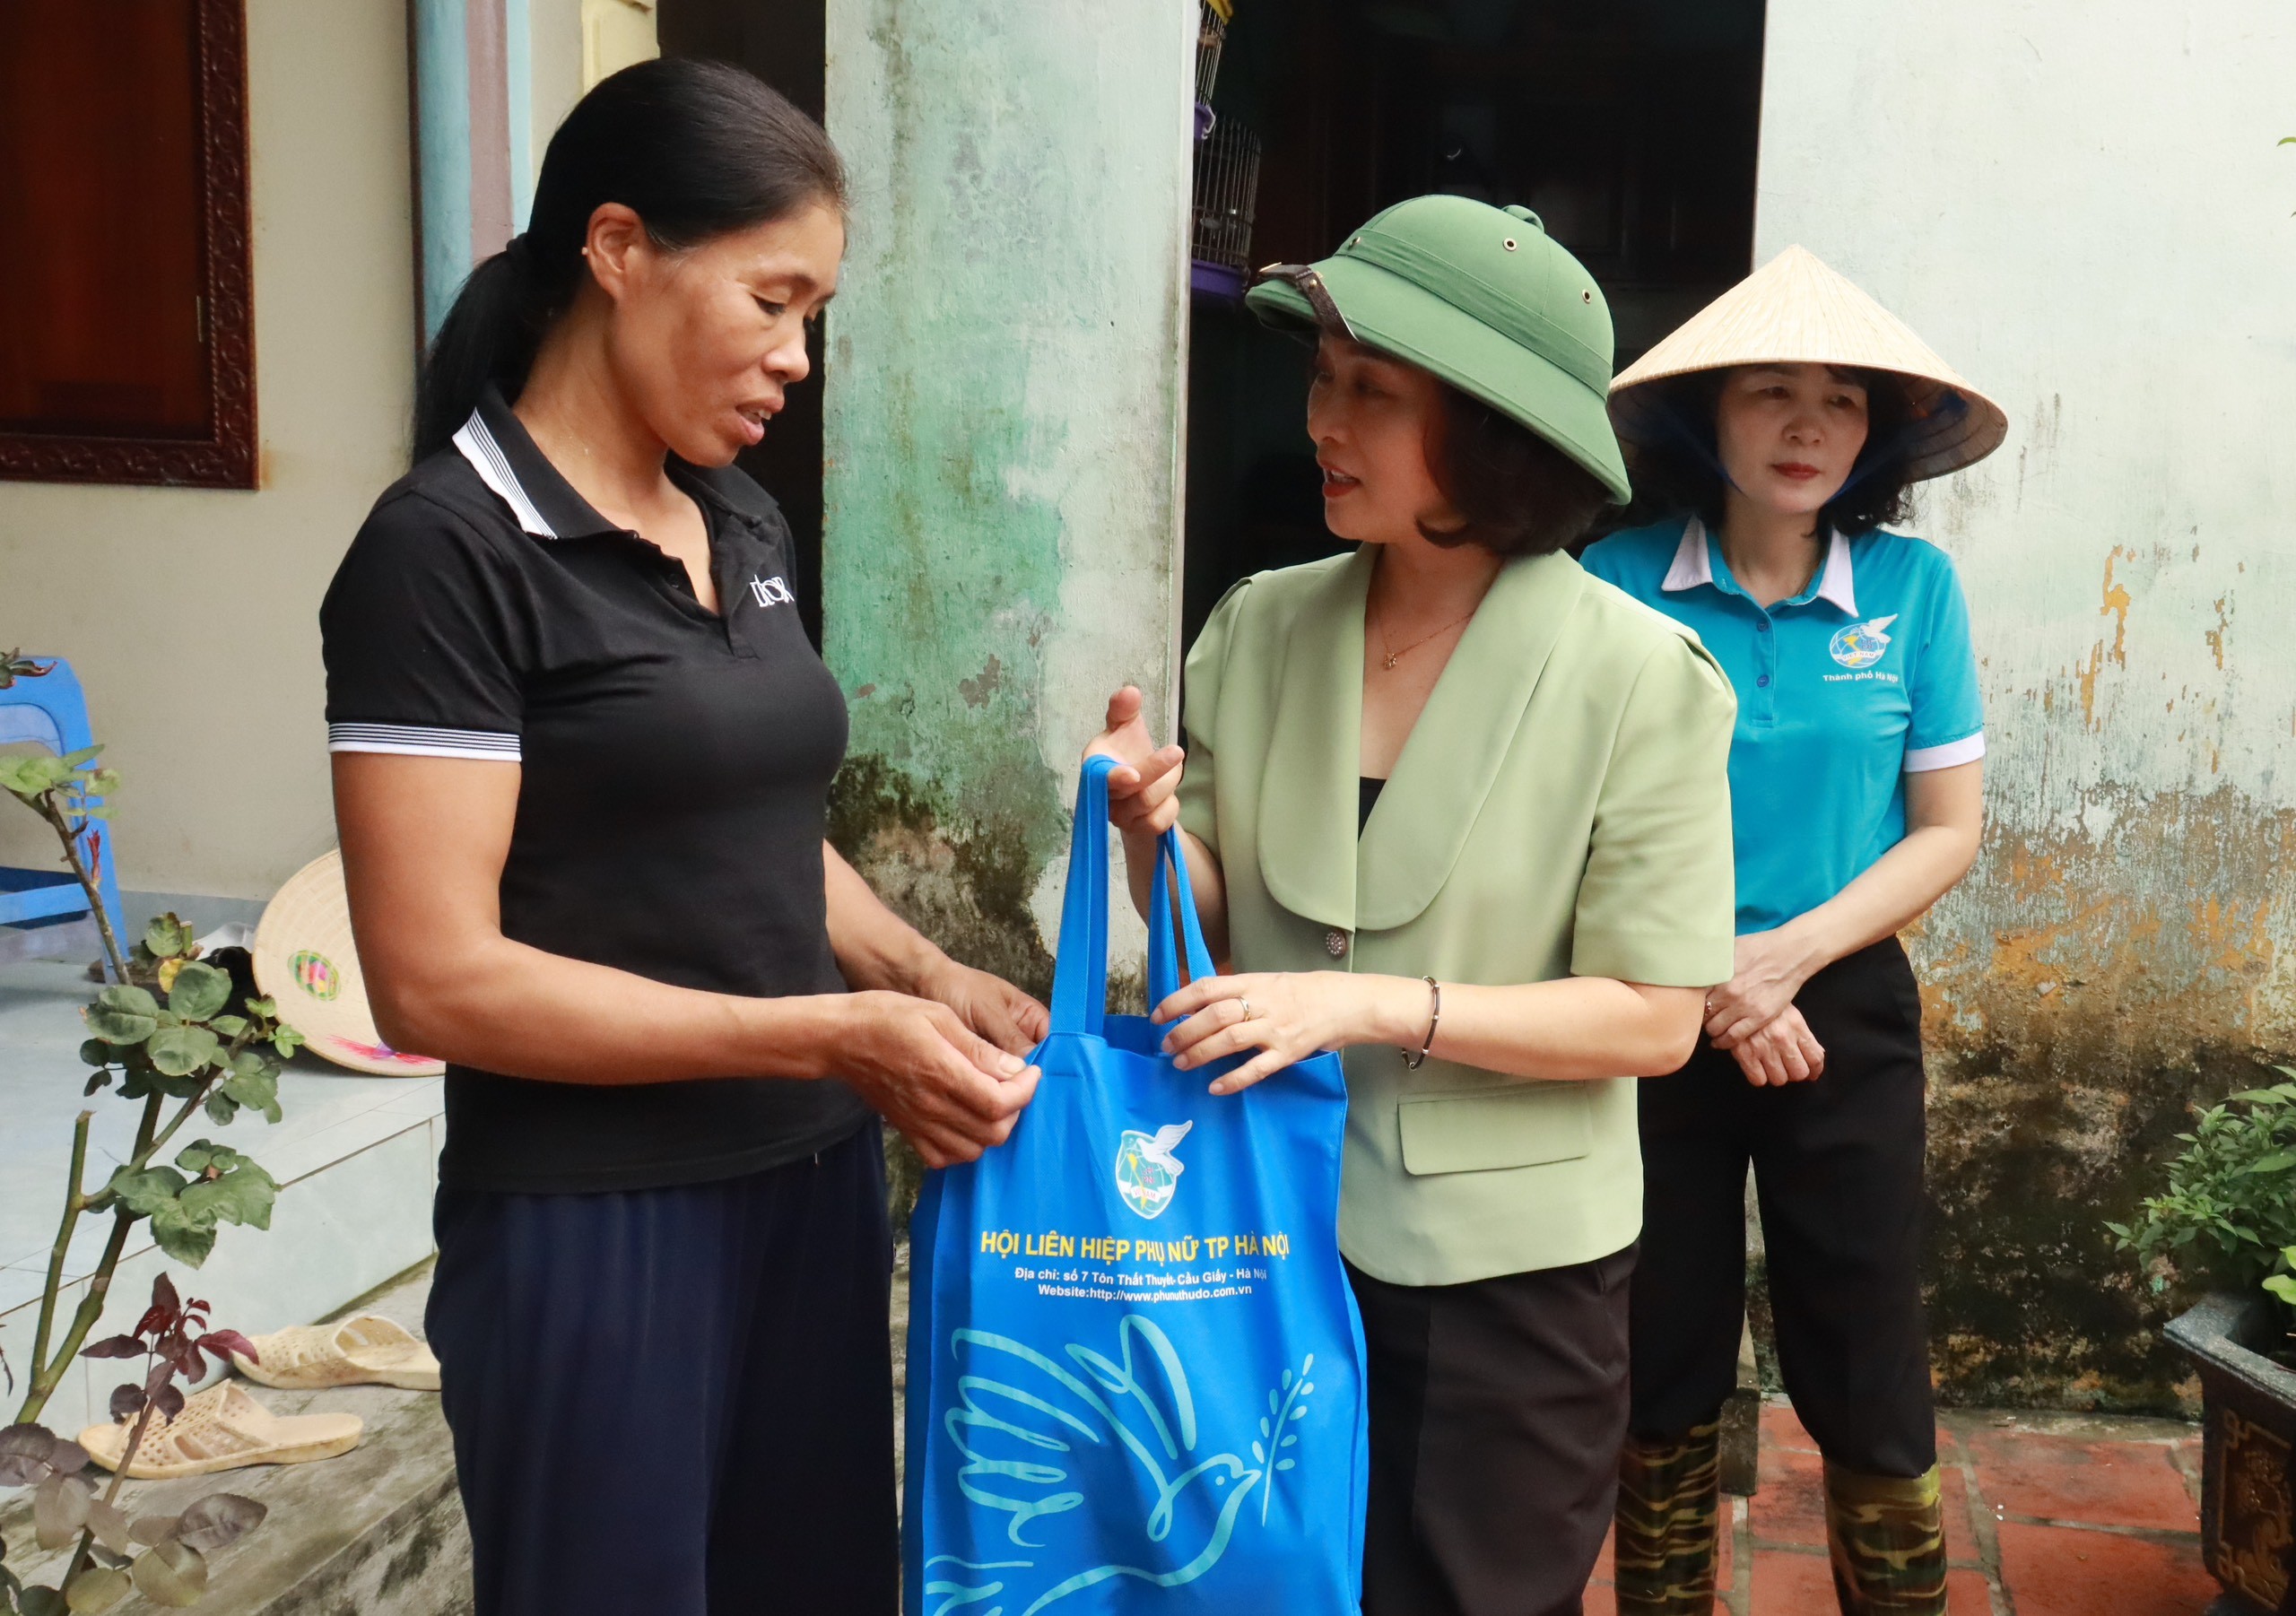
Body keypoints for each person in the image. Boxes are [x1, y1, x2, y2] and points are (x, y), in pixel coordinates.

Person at [319, 60, 1046, 1616]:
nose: (795, 358)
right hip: (596, 1227)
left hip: (809, 1197)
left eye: (814, 318)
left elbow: (755, 822)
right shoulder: (443, 556)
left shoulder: (739, 517)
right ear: (620, 247)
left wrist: (923, 969)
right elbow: (431, 983)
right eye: (772, 300)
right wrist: (828, 1034)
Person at [1083, 196, 1739, 1616]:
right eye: (1323, 378)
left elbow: (1655, 1016)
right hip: (1252, 1226)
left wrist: (1376, 1004)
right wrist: (1149, 832)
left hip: (1504, 1290)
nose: (1323, 417)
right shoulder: (1262, 623)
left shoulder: (1641, 676)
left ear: (1494, 432)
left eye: (1372, 392)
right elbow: (1214, 910)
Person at [1579, 245, 2005, 1616]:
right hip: (1650, 1005)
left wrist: (1783, 959)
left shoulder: (1913, 593)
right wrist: (1713, 973)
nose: (1809, 424)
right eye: (1772, 391)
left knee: (1867, 1345)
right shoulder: (1614, 581)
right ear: (1712, 416)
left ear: (1876, 430)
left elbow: (1946, 829)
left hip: (1844, 1005)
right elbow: (1572, 818)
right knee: (1661, 1342)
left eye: (1840, 398)